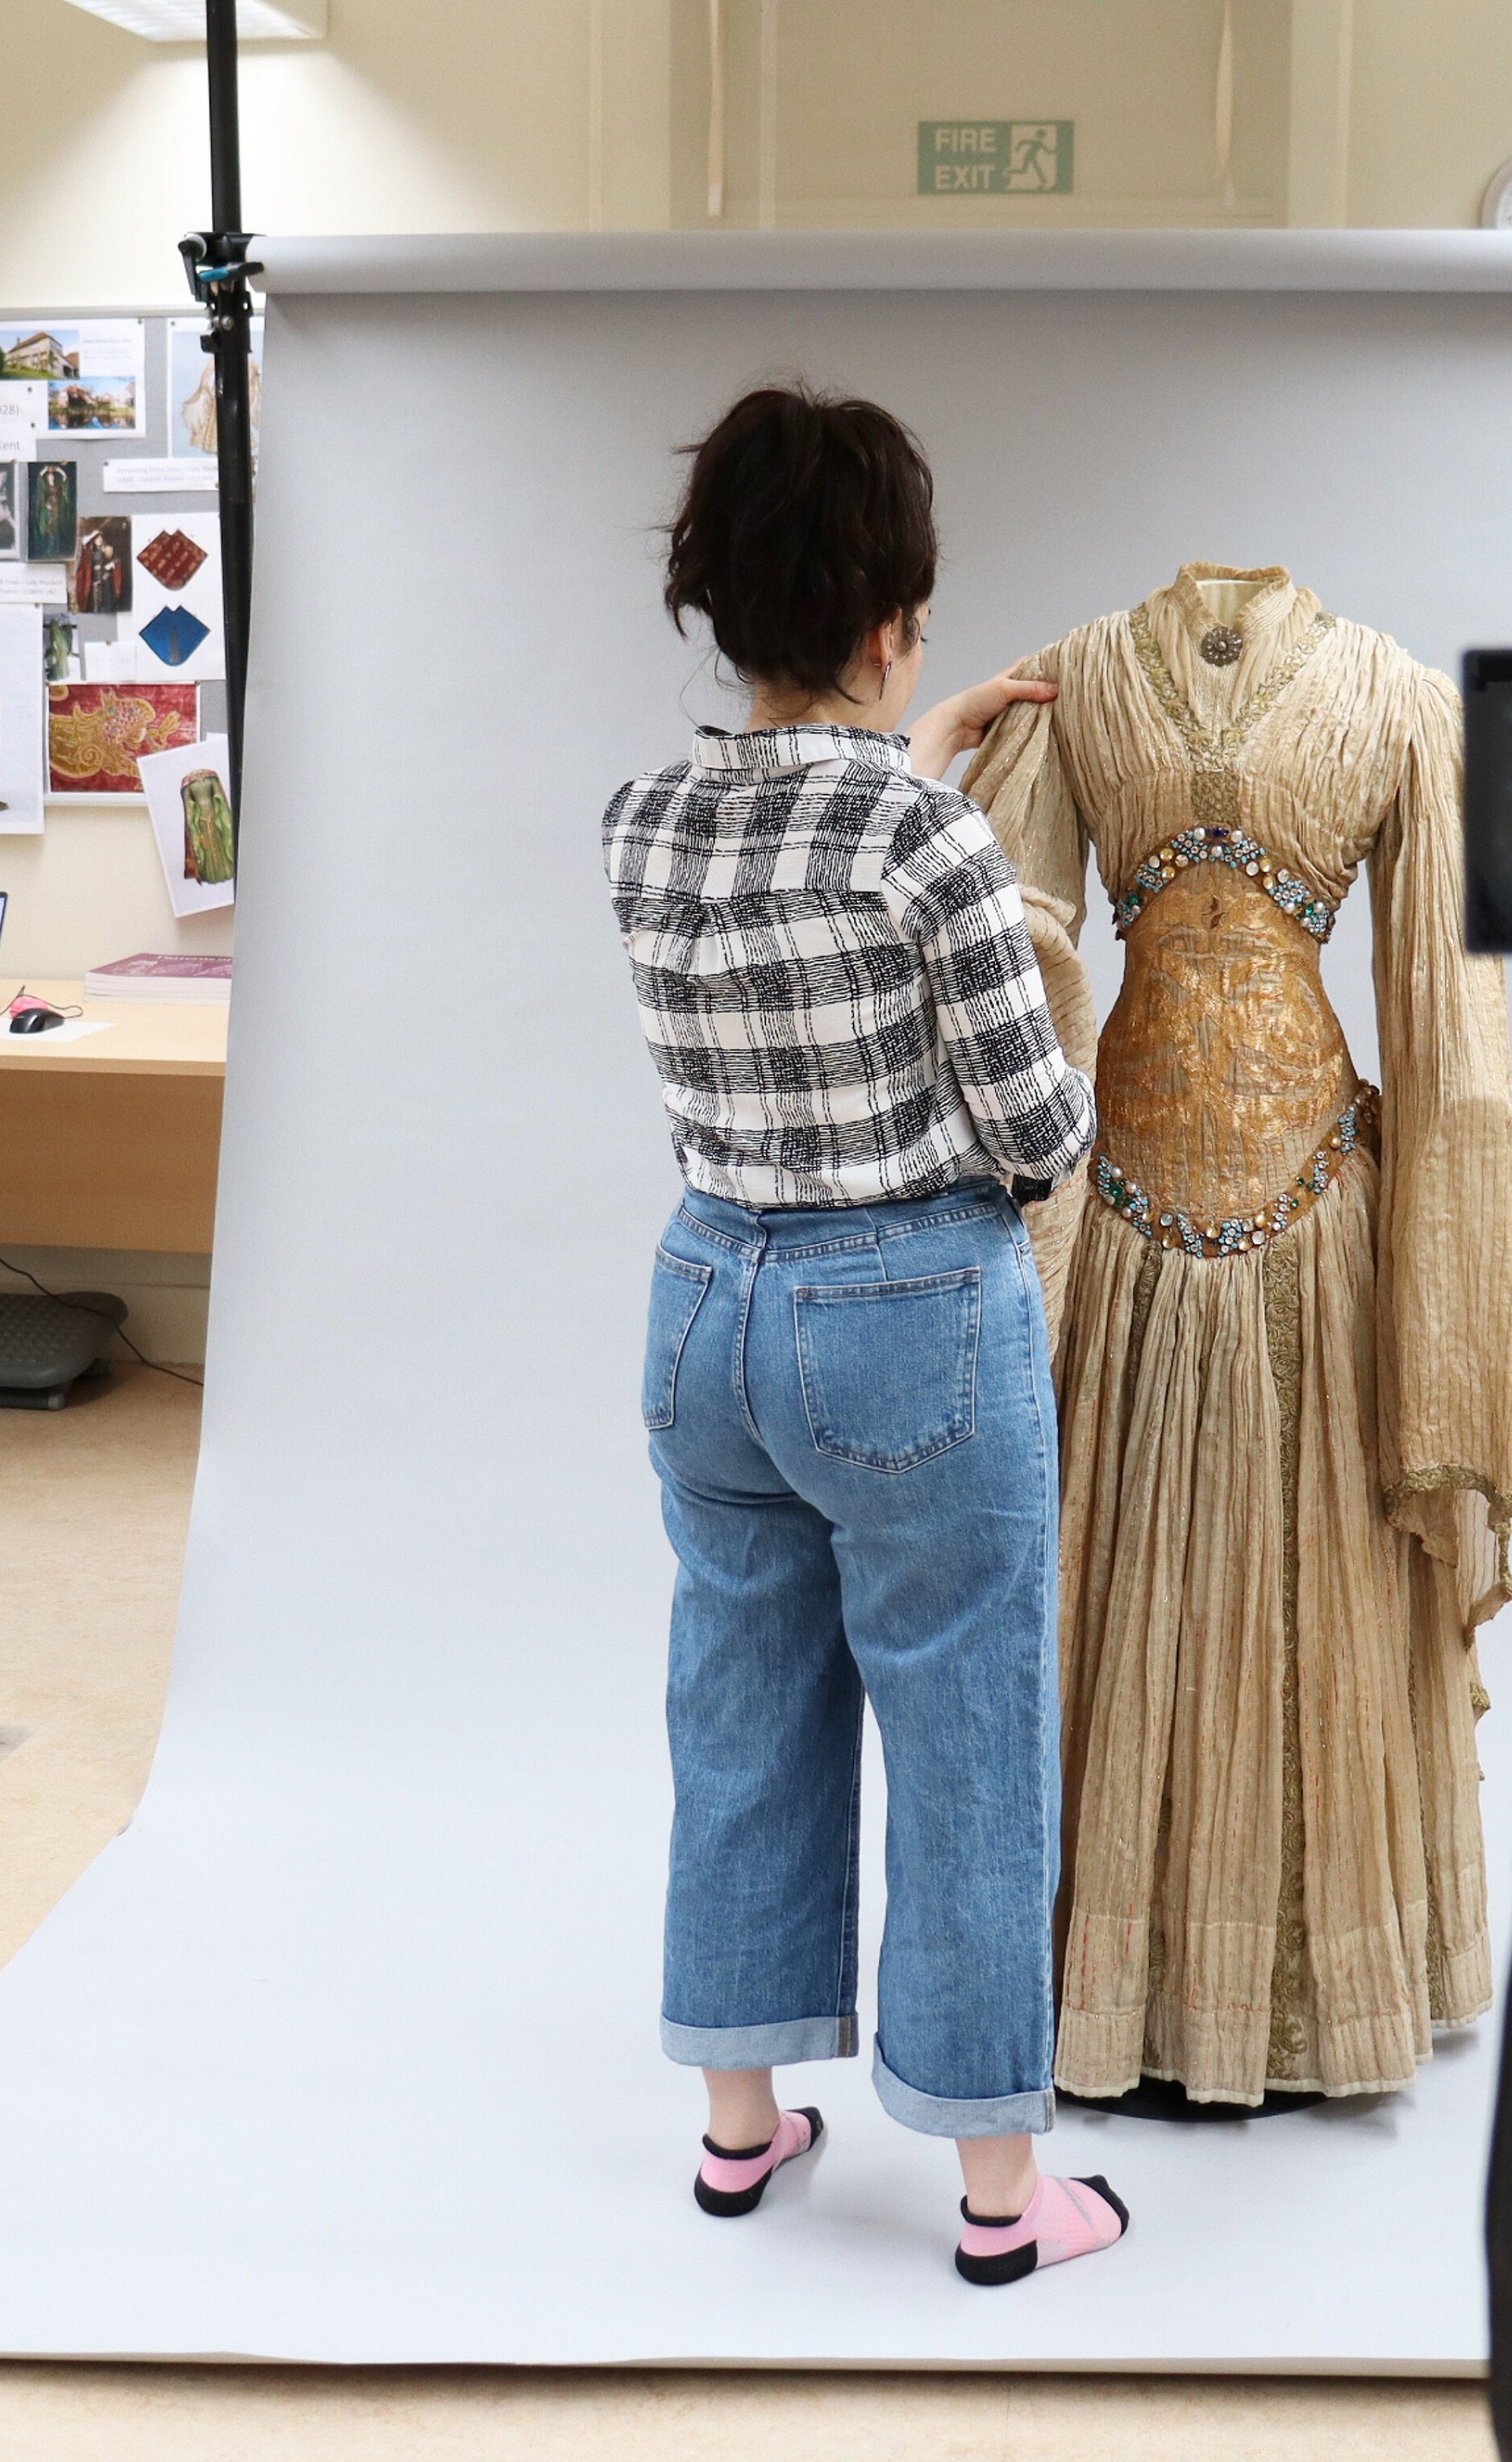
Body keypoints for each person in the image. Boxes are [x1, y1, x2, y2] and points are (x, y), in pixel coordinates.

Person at [601, 386, 1125, 2287]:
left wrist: (914, 747)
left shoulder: (643, 821)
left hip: (704, 1306)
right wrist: (947, 802)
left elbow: (793, 844)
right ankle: (1001, 2198)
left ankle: (742, 2133)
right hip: (905, 1313)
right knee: (969, 1730)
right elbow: (1039, 1136)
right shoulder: (936, 845)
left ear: (720, 607)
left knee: (740, 1710)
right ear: (894, 605)